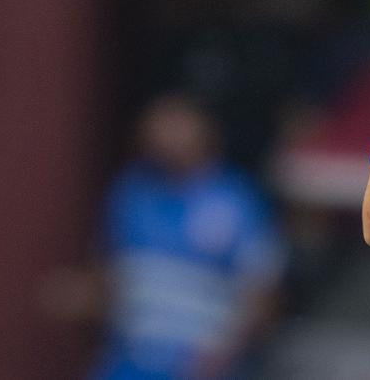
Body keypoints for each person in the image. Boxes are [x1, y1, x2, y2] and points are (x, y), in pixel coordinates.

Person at [93, 93, 285, 379]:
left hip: (205, 367)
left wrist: (220, 356)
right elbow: (108, 277)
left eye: (177, 120)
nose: (165, 131)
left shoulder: (236, 199)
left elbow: (263, 297)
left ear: (204, 128)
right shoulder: (131, 192)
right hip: (130, 364)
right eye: (159, 120)